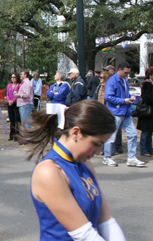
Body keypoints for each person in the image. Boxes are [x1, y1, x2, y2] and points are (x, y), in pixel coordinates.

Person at [18, 100, 125, 241]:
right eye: (96, 144)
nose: (99, 152)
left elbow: (106, 220)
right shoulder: (49, 172)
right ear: (76, 133)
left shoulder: (86, 164)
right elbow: (84, 235)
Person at [102, 61, 146, 167]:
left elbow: (124, 95)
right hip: (116, 112)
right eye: (126, 72)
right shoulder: (112, 81)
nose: (127, 75)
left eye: (128, 73)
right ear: (120, 69)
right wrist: (124, 100)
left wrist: (131, 97)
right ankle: (107, 157)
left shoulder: (124, 81)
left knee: (133, 134)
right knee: (111, 136)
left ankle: (131, 158)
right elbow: (108, 97)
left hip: (125, 112)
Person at [137, 66, 153, 157]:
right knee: (145, 132)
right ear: (150, 75)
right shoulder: (147, 84)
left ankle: (149, 148)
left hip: (150, 112)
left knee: (149, 131)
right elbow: (147, 97)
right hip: (146, 111)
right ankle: (144, 150)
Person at [6, 73, 21, 141]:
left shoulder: (19, 85)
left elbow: (18, 94)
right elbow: (7, 94)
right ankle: (12, 134)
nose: (13, 78)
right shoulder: (9, 85)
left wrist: (13, 101)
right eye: (12, 77)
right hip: (10, 103)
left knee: (17, 119)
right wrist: (9, 100)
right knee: (11, 119)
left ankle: (17, 135)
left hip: (16, 103)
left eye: (14, 77)